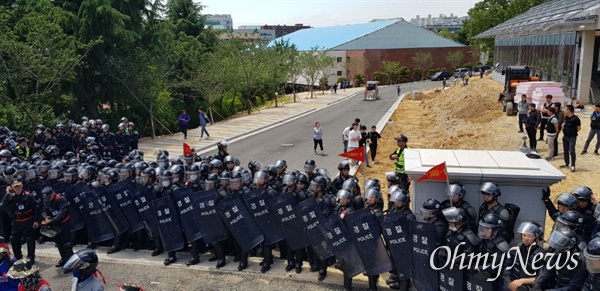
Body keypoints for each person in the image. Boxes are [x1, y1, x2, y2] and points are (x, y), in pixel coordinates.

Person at [0, 180, 40, 263]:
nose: (17, 188)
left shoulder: (28, 196)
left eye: (18, 186)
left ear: (21, 186)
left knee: (30, 240)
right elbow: (2, 205)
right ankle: (18, 257)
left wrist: (36, 220)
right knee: (14, 240)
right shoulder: (10, 197)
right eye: (15, 187)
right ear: (12, 188)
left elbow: (36, 209)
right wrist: (7, 194)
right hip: (17, 222)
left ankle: (31, 258)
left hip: (28, 221)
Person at [504, 221, 545, 291]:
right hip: (512, 286)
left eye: (529, 236)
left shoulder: (542, 255)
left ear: (537, 238)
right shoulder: (515, 250)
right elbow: (507, 267)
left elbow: (542, 277)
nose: (526, 238)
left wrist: (522, 281)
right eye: (524, 235)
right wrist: (508, 282)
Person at [40, 187, 74, 268]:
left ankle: (70, 261)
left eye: (49, 197)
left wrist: (51, 221)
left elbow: (62, 213)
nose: (48, 199)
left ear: (52, 193)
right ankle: (63, 258)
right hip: (55, 223)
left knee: (67, 243)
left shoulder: (61, 199)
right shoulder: (47, 200)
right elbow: (44, 210)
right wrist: (46, 217)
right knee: (58, 242)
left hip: (65, 223)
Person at [560, 105, 581, 173]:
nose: (564, 111)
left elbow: (579, 128)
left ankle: (573, 165)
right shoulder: (566, 118)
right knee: (565, 150)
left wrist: (573, 132)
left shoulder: (576, 119)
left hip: (572, 137)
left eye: (565, 109)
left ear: (568, 110)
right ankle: (566, 163)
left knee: (571, 150)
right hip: (565, 136)